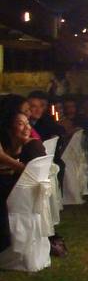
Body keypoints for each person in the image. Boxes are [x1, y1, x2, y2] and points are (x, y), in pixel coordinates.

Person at [0, 106, 47, 253]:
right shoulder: (7, 144)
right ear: (9, 127)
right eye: (21, 124)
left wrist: (6, 160)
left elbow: (31, 174)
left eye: (27, 123)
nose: (27, 127)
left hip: (19, 194)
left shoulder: (33, 145)